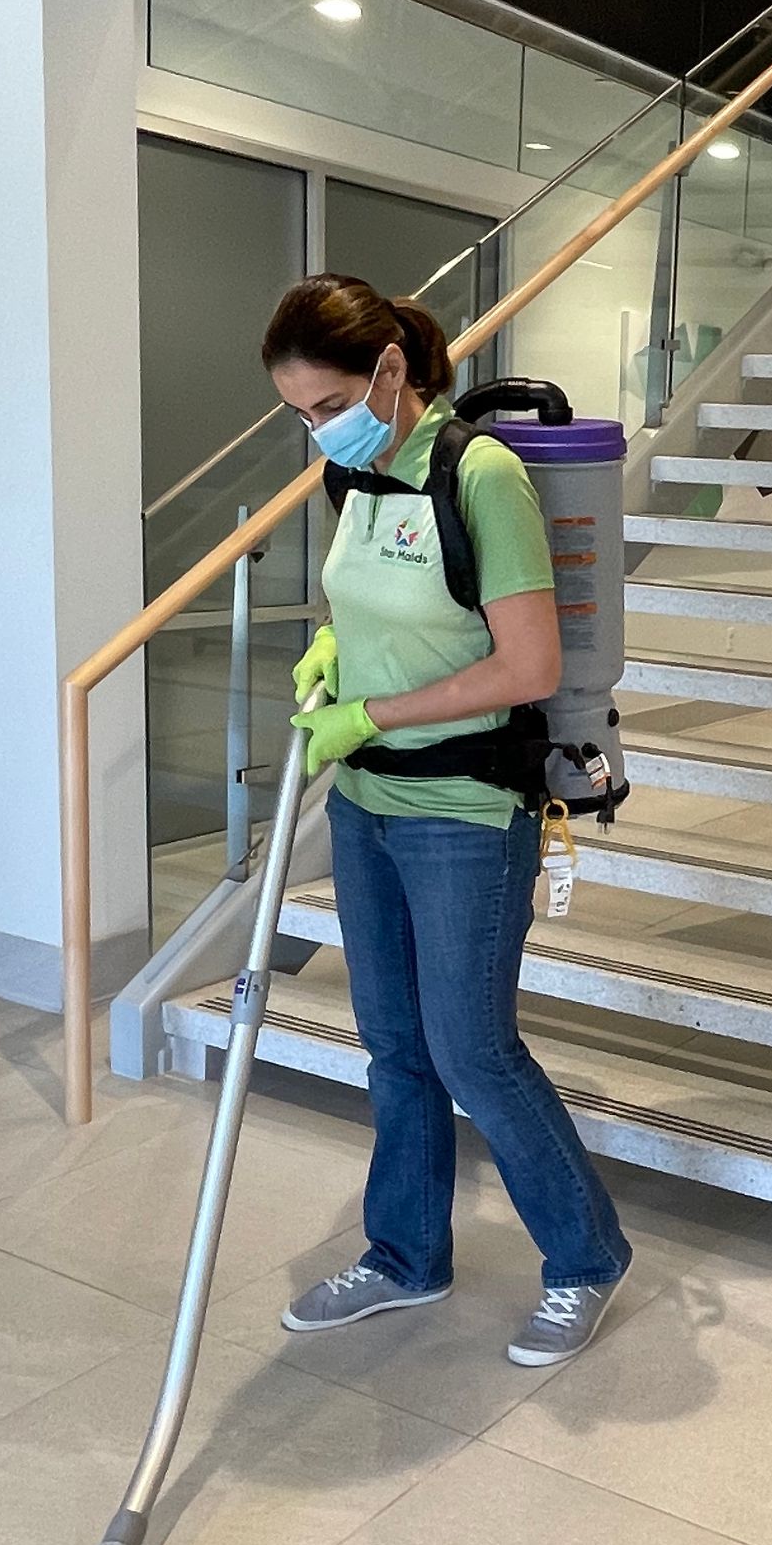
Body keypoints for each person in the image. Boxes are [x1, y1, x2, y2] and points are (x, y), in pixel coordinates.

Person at [260, 273, 631, 1366]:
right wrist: (336, 650)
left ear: (390, 369)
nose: (320, 431)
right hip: (367, 804)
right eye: (300, 414)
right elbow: (378, 604)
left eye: (331, 405)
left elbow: (529, 665)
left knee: (473, 1051)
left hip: (464, 810)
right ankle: (406, 1255)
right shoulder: (356, 476)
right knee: (394, 1046)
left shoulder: (482, 476)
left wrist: (371, 712)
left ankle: (586, 1257)